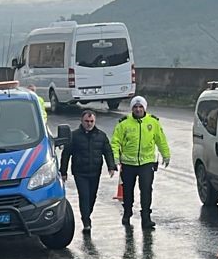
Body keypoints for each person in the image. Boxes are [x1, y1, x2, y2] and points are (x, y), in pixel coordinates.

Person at [110, 95, 171, 230]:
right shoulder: (124, 123)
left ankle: (146, 218)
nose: (138, 109)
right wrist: (114, 159)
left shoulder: (153, 122)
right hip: (128, 163)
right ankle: (127, 213)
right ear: (132, 109)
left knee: (146, 190)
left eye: (140, 107)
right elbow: (115, 142)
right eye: (135, 107)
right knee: (127, 190)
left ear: (145, 108)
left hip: (147, 163)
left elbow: (161, 139)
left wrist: (166, 155)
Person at [59, 109, 117, 236]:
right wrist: (63, 172)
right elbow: (66, 154)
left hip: (95, 172)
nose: (89, 124)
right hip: (80, 173)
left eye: (91, 121)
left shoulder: (101, 136)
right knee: (84, 196)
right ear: (82, 121)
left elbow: (108, 151)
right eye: (87, 121)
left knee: (92, 197)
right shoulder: (74, 136)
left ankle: (87, 214)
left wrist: (111, 166)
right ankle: (86, 221)